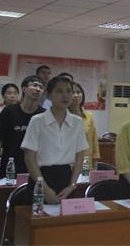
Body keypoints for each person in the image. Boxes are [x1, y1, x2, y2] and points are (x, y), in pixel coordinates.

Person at [21, 76, 88, 204]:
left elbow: (80, 156)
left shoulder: (77, 122)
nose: (65, 96)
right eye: (59, 91)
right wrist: (44, 188)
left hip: (66, 179)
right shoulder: (37, 120)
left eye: (69, 91)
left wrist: (72, 185)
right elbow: (29, 158)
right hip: (41, 178)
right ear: (49, 95)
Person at [0, 76, 45, 179]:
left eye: (41, 87)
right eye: (34, 85)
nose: (38, 89)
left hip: (35, 169)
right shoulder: (9, 111)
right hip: (10, 167)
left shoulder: (44, 115)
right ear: (24, 89)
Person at [68, 82, 100, 170]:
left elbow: (94, 142)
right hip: (67, 161)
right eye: (72, 92)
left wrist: (95, 165)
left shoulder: (89, 116)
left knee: (85, 178)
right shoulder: (63, 116)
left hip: (86, 161)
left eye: (78, 92)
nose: (76, 95)